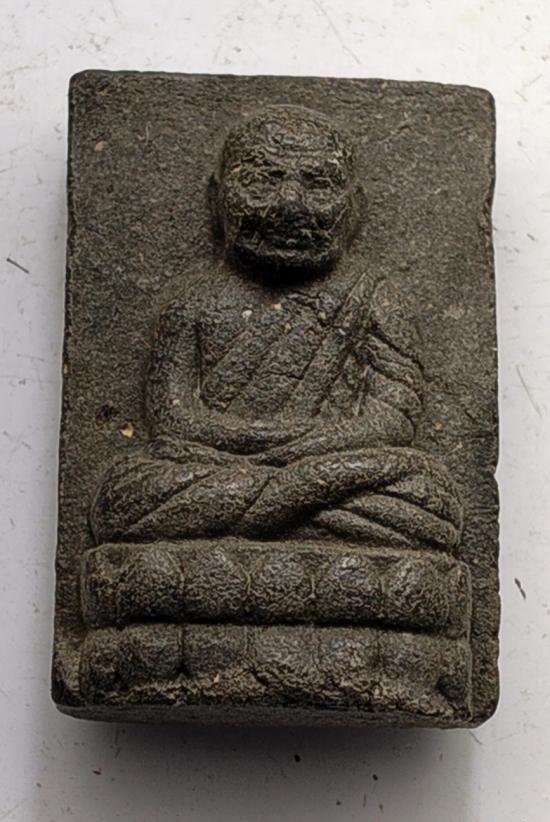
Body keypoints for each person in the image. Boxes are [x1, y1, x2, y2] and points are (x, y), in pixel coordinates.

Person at [90, 105, 462, 551]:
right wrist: (267, 452)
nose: (289, 205)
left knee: (427, 490)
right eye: (260, 181)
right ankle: (297, 514)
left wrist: (297, 459)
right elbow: (172, 418)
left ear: (356, 205)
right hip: (228, 470)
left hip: (325, 473)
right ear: (216, 197)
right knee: (126, 492)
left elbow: (393, 419)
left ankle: (265, 514)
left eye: (319, 185)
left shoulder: (374, 297)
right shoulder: (192, 304)